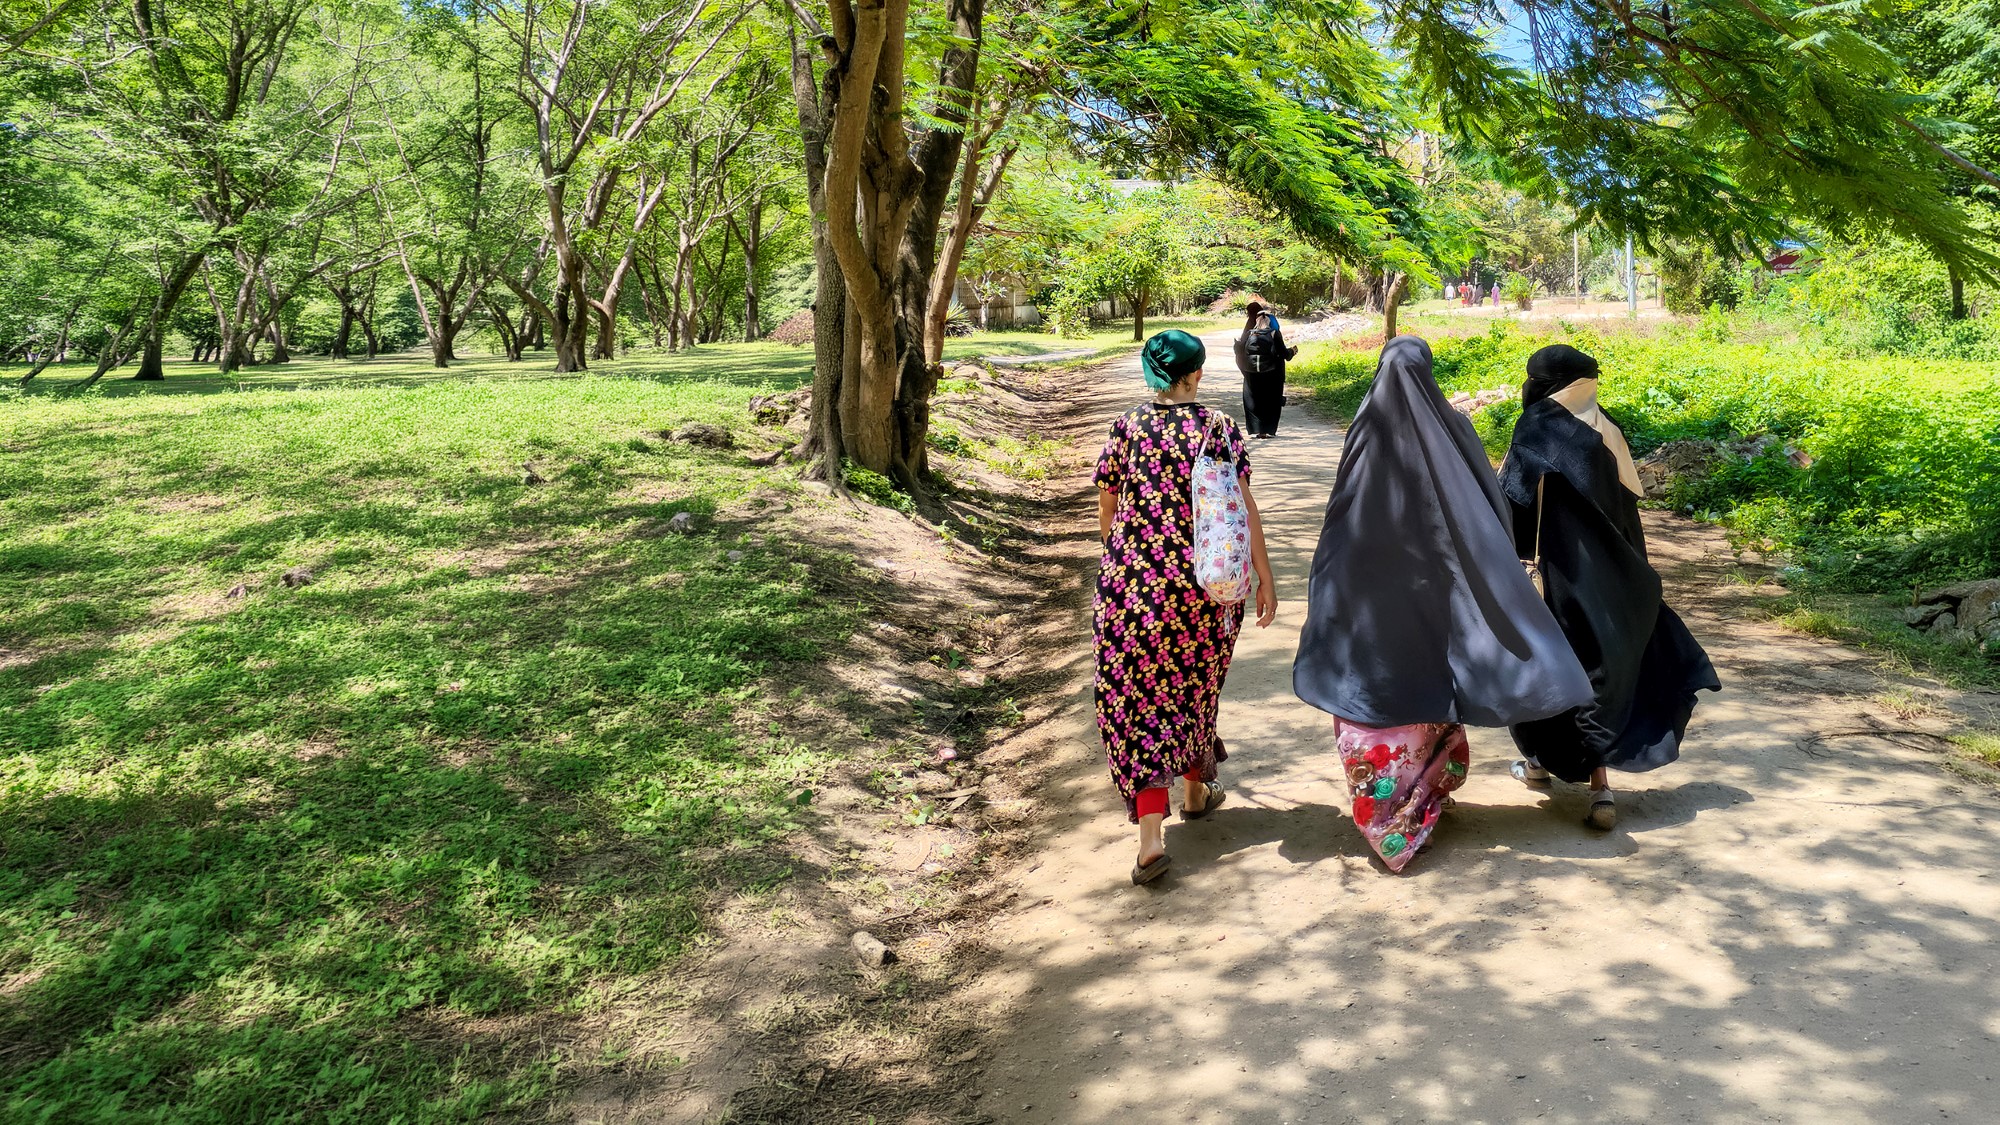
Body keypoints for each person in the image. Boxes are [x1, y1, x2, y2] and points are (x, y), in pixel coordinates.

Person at [1292, 336, 1592, 871]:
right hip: (1436, 589)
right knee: (1432, 678)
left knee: (1375, 687)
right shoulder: (1453, 428)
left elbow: (1342, 514)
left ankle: (1386, 813)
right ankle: (1425, 795)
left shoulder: (1365, 429)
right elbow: (1492, 506)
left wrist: (1331, 583)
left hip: (1371, 591)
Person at [1499, 345, 1721, 829]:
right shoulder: (1608, 429)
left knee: (1550, 670)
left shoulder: (1536, 427)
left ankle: (1539, 764)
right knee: (1604, 676)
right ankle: (1601, 789)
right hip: (1620, 584)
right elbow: (1630, 517)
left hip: (1558, 582)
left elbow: (1513, 502)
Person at [1095, 329, 1279, 885]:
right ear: (1197, 373)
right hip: (1206, 590)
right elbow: (1244, 510)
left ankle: (1151, 840)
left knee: (1139, 702)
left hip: (1133, 591)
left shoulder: (1127, 428)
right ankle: (1196, 792)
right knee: (1194, 686)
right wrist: (1263, 577)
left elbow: (1107, 510)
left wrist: (1126, 563)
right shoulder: (1219, 428)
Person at [1233, 301, 1297, 438]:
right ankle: (1269, 429)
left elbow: (1239, 350)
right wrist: (1292, 351)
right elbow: (1284, 354)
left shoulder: (1249, 332)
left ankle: (1257, 429)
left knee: (1252, 399)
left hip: (1251, 372)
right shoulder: (1274, 333)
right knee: (1271, 400)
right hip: (1272, 371)